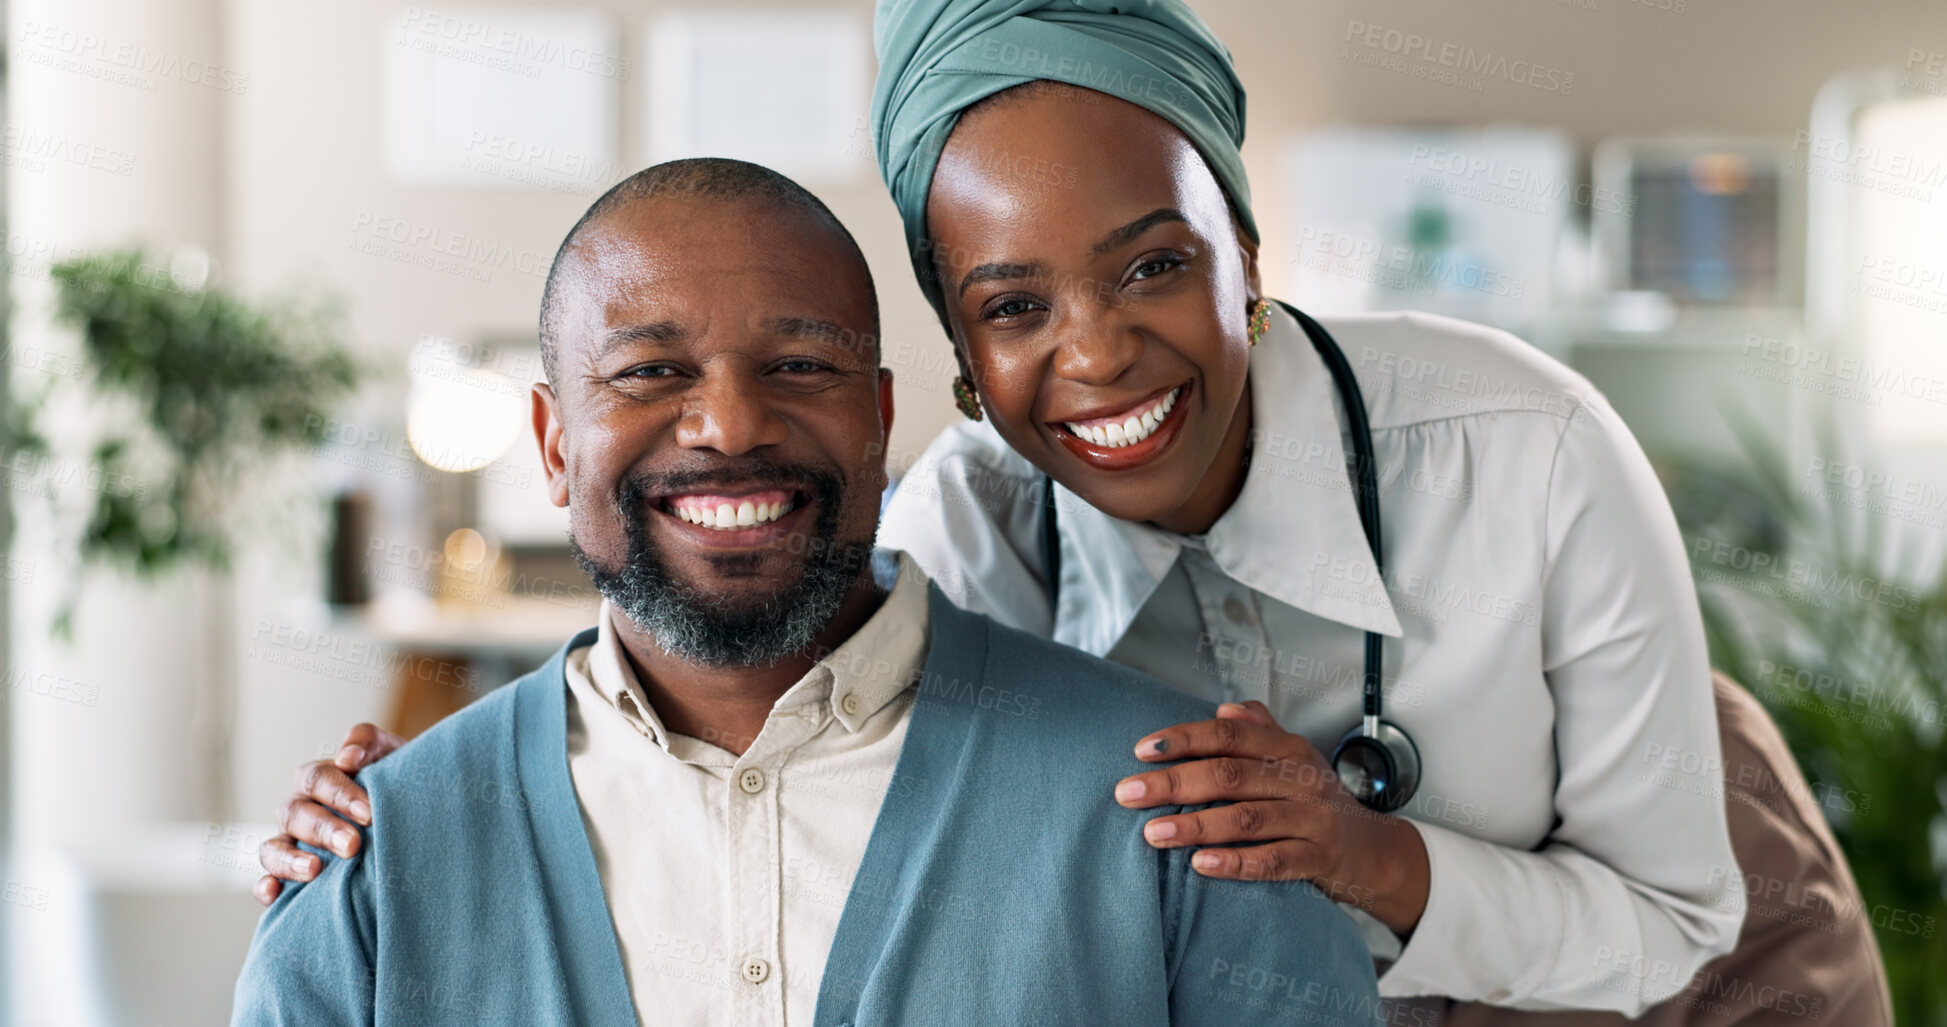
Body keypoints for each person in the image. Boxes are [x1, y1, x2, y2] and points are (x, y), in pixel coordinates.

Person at [259, 0, 1746, 1016]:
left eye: (1154, 264)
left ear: (1242, 239)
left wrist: (1365, 855)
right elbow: (758, 662)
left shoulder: (1527, 452)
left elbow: (1678, 919)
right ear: (958, 357)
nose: (1092, 349)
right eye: (1012, 302)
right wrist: (418, 806)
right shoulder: (958, 523)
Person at [230, 158, 1380, 1026]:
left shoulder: (1184, 817)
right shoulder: (379, 871)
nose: (729, 424)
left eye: (798, 366)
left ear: (880, 421)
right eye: (650, 372)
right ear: (550, 439)